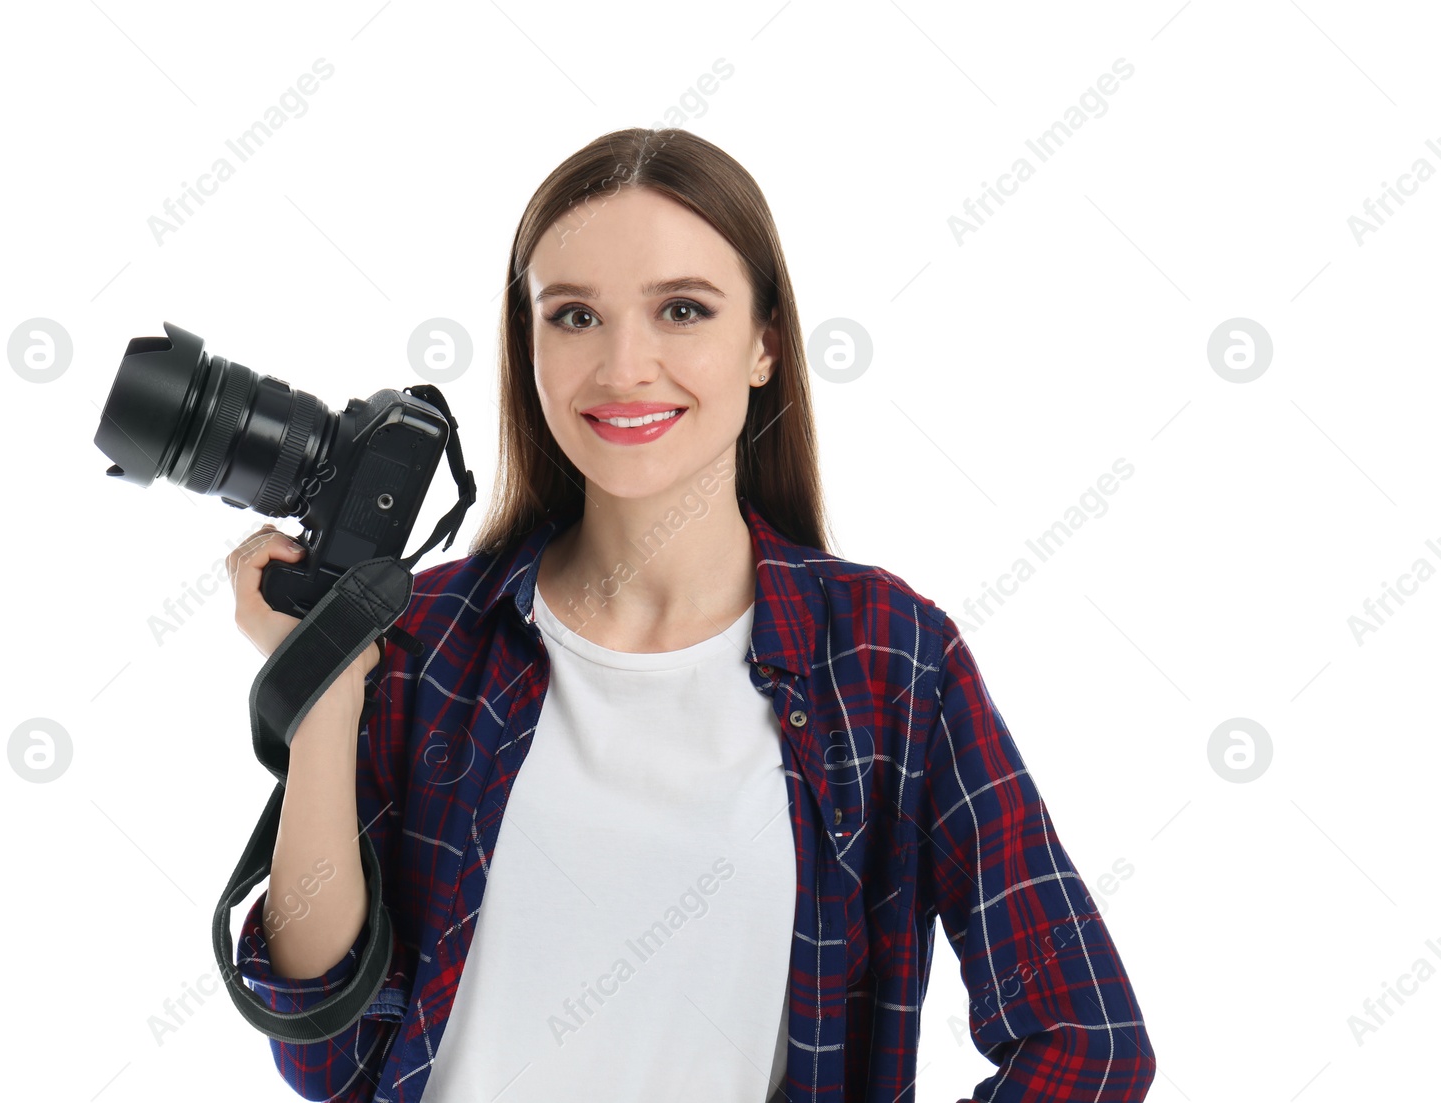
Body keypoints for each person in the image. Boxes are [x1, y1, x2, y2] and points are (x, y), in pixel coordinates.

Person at [226, 127, 1155, 1102]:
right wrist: (325, 691)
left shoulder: (888, 658)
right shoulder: (427, 637)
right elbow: (322, 1051)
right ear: (527, 346)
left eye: (680, 309)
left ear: (763, 344)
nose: (625, 366)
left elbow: (1086, 1042)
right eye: (575, 315)